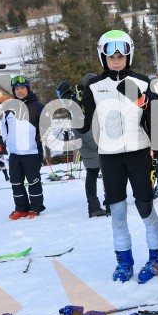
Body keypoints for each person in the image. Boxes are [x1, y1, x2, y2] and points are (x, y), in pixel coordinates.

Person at [80, 30, 158, 283]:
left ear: (128, 55)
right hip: (110, 157)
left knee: (145, 207)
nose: (116, 60)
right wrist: (74, 109)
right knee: (117, 212)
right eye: (111, 56)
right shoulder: (95, 86)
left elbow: (154, 117)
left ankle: (157, 258)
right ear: (102, 57)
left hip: (139, 153)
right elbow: (85, 124)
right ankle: (124, 262)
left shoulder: (142, 82)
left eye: (121, 55)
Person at [57, 76, 108, 217]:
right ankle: (102, 205)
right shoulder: (75, 103)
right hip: (91, 143)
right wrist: (97, 145)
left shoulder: (74, 101)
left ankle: (96, 205)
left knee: (94, 174)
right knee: (103, 174)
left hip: (88, 143)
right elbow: (83, 128)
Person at [1, 75, 45, 220]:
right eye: (17, 89)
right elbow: (4, 127)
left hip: (31, 152)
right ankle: (21, 208)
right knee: (15, 181)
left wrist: (38, 144)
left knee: (33, 181)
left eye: (22, 88)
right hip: (14, 153)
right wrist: (5, 143)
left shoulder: (38, 107)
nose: (20, 91)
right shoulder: (8, 108)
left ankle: (35, 207)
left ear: (28, 89)